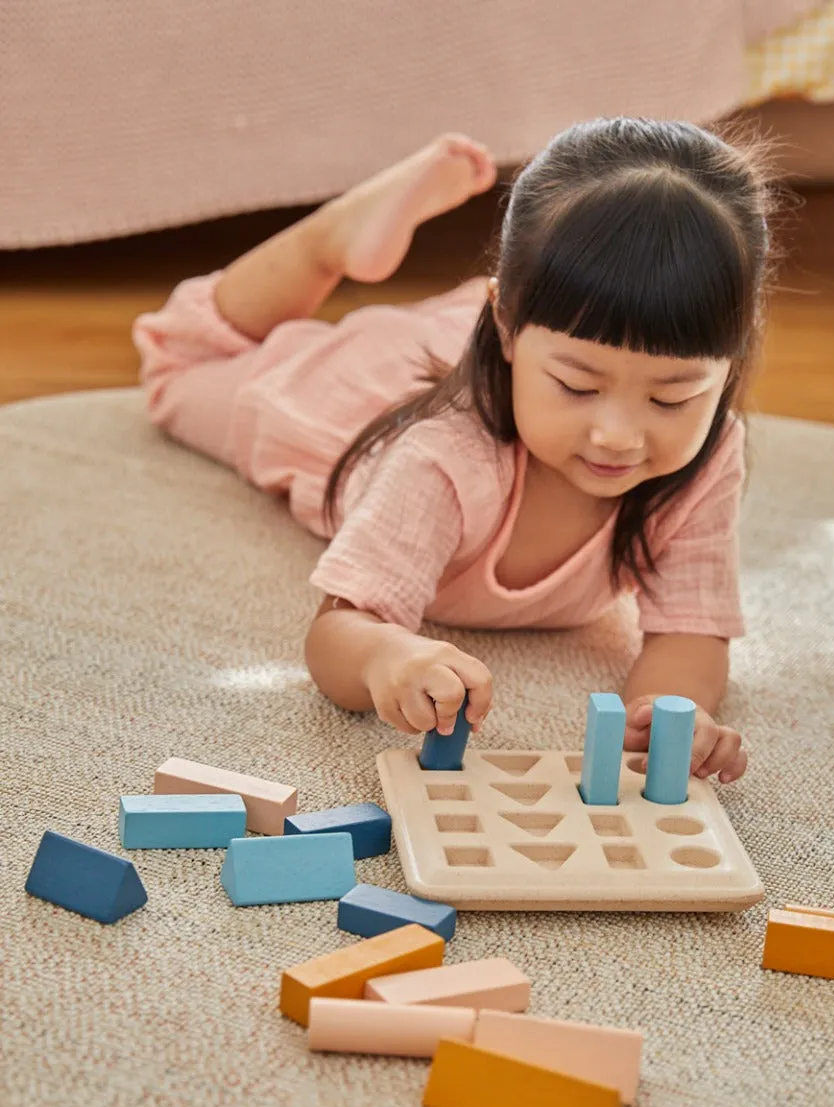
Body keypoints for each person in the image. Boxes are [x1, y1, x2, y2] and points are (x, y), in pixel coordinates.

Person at [134, 117, 777, 786]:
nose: (619, 435)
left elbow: (691, 632)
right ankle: (332, 241)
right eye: (578, 386)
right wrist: (388, 659)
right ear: (504, 329)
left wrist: (676, 716)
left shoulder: (709, 451)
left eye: (672, 399)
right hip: (357, 394)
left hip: (505, 343)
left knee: (586, 356)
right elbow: (337, 636)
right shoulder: (440, 458)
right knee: (177, 361)